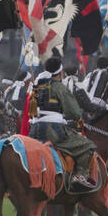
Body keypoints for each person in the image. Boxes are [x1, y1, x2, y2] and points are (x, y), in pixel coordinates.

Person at [31, 57, 97, 192]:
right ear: (60, 73)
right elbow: (74, 111)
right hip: (54, 130)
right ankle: (78, 177)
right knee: (88, 146)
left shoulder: (36, 86)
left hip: (35, 130)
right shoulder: (59, 87)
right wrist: (79, 120)